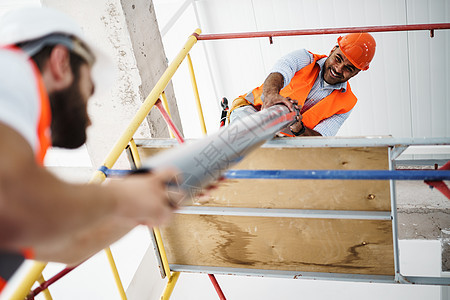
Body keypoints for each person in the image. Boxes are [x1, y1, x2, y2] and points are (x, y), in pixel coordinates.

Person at [0, 7, 183, 291]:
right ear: (60, 61)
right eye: (88, 91)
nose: (87, 118)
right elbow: (15, 202)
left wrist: (143, 205)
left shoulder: (20, 145)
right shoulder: (10, 69)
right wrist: (122, 196)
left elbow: (72, 244)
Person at [228, 33, 376, 137]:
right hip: (252, 111)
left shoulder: (347, 104)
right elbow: (279, 72)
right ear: (333, 50)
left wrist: (299, 128)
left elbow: (321, 138)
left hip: (283, 140)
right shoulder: (304, 58)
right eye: (338, 59)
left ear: (356, 73)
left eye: (348, 68)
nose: (338, 69)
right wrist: (272, 95)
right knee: (244, 137)